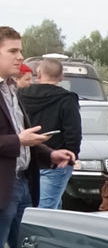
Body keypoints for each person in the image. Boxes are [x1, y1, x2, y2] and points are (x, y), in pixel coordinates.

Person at [0, 26, 73, 248]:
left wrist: (48, 154)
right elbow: (17, 139)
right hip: (3, 191)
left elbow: (23, 136)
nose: (20, 58)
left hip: (23, 186)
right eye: (13, 52)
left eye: (19, 51)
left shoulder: (12, 90)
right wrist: (19, 142)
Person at [19, 58, 83, 209]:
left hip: (28, 158)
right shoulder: (67, 99)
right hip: (56, 161)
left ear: (38, 74)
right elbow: (73, 131)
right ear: (62, 77)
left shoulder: (21, 94)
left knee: (47, 207)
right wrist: (71, 155)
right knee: (44, 211)